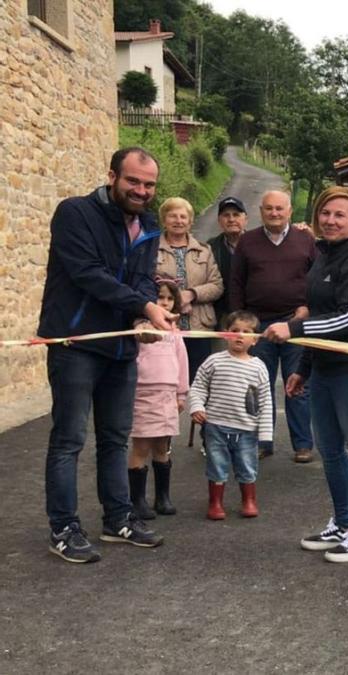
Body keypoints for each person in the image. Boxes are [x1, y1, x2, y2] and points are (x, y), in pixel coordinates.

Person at [38, 147, 170, 563]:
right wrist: (144, 307)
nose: (141, 191)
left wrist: (142, 320)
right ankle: (63, 528)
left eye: (149, 185)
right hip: (75, 343)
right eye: (133, 181)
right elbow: (87, 273)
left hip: (119, 347)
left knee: (115, 439)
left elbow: (145, 280)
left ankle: (118, 518)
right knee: (69, 440)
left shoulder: (147, 224)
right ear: (112, 176)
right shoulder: (74, 213)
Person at [265, 186, 348, 562]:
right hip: (325, 369)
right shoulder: (322, 256)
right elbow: (319, 316)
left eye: (339, 215)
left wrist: (294, 332)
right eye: (325, 213)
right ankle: (344, 524)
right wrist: (303, 367)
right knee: (331, 451)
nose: (330, 220)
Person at [229, 190, 317, 463]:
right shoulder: (247, 242)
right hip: (258, 325)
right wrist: (239, 322)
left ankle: (303, 445)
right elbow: (236, 282)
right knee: (258, 386)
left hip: (296, 323)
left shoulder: (306, 240)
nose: (275, 213)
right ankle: (261, 442)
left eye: (280, 208)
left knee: (298, 386)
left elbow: (317, 279)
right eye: (269, 209)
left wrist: (309, 310)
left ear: (290, 210)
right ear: (261, 211)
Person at [188, 310, 272, 521]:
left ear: (255, 340)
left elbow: (265, 401)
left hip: (246, 428)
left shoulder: (258, 367)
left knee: (247, 464)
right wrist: (197, 407)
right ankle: (215, 503)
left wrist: (265, 434)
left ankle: (249, 500)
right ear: (226, 334)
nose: (239, 335)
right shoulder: (214, 361)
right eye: (234, 331)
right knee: (216, 464)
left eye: (246, 332)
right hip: (215, 426)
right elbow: (198, 387)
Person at [128, 279, 189, 521]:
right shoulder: (139, 329)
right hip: (142, 393)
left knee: (162, 446)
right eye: (159, 297)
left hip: (168, 393)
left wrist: (181, 394)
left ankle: (162, 497)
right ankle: (138, 500)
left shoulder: (175, 334)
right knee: (141, 446)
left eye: (169, 298)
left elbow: (182, 363)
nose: (164, 302)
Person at [156, 197, 223, 383]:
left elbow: (217, 286)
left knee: (198, 383)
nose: (178, 221)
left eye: (183, 217)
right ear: (164, 220)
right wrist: (176, 300)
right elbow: (146, 284)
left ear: (190, 221)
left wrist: (192, 294)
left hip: (198, 327)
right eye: (172, 216)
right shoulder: (152, 249)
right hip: (163, 325)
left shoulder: (204, 251)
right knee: (165, 380)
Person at [206, 196, 247, 327]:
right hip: (221, 315)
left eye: (236, 214)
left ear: (245, 219)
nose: (231, 219)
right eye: (226, 215)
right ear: (219, 220)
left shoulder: (258, 243)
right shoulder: (209, 247)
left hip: (251, 314)